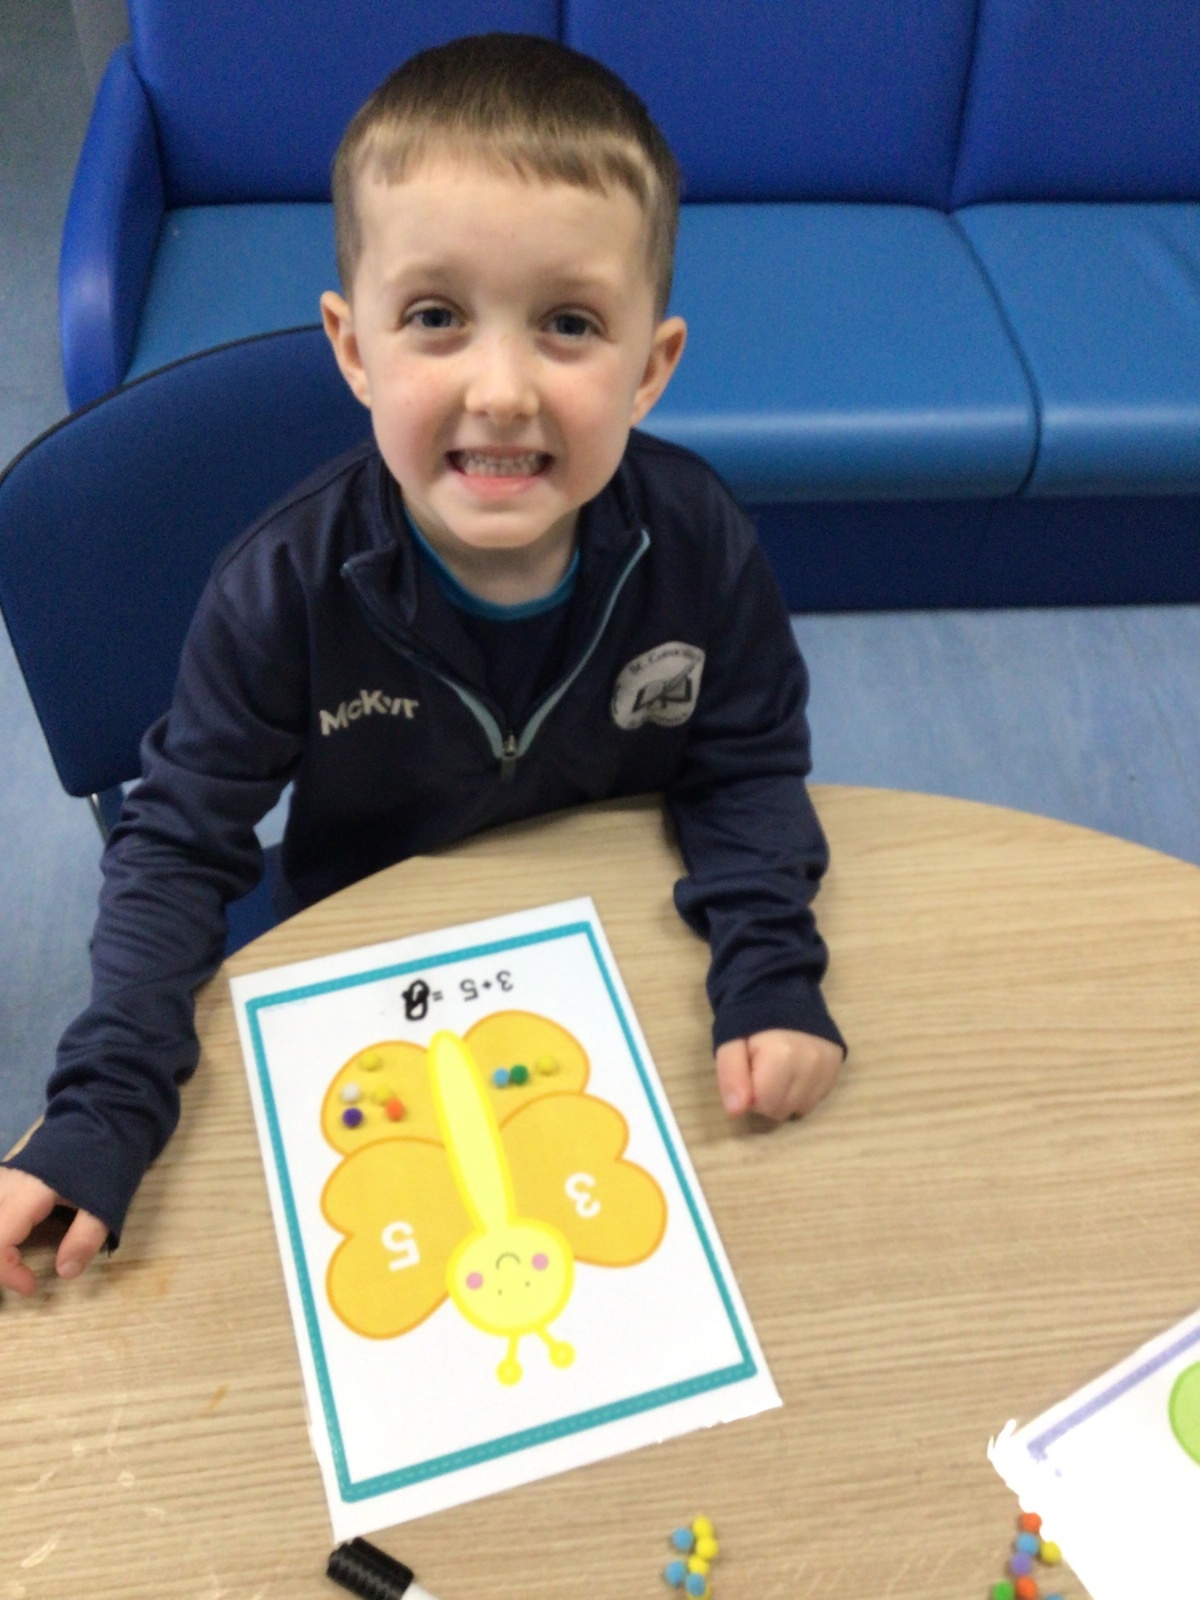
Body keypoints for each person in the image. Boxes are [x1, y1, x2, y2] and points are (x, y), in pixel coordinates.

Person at [0, 33, 844, 1298]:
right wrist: (104, 1103)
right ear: (354, 347)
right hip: (372, 966)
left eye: (569, 324)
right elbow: (176, 846)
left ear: (650, 367)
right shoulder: (281, 587)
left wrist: (771, 969)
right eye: (438, 318)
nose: (501, 390)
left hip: (625, 965)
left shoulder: (698, 539)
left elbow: (747, 767)